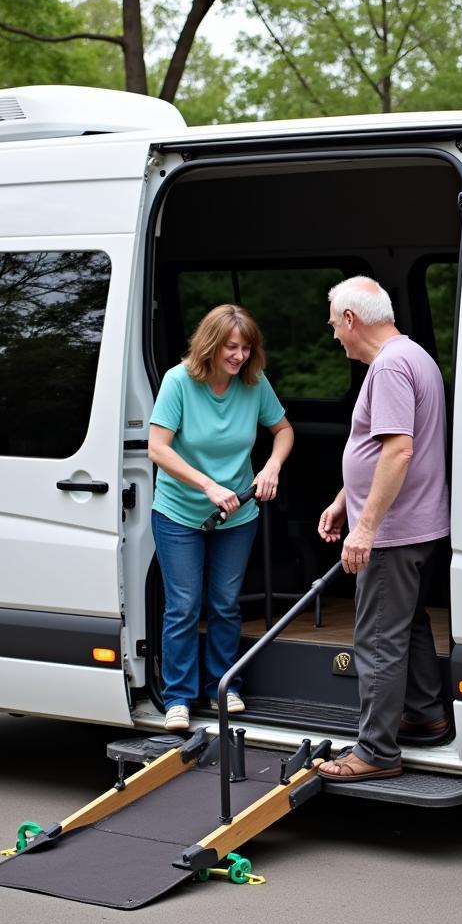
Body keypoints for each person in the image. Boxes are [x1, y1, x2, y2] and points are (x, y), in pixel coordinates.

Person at [316, 276, 450, 780]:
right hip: (417, 522)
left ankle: (374, 752)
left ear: (351, 319)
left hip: (395, 530)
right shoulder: (413, 356)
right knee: (407, 625)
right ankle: (425, 712)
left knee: (376, 639)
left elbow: (398, 451)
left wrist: (365, 527)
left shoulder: (390, 367)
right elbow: (375, 451)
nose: (334, 336)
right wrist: (343, 503)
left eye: (334, 325)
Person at [149, 305, 293, 731]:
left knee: (226, 604)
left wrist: (271, 468)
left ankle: (223, 687)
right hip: (180, 512)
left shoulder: (253, 383)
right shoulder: (179, 382)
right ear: (211, 344)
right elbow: (158, 448)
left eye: (247, 348)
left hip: (238, 514)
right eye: (232, 347)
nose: (240, 356)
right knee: (184, 605)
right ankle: (177, 696)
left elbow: (283, 430)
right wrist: (208, 486)